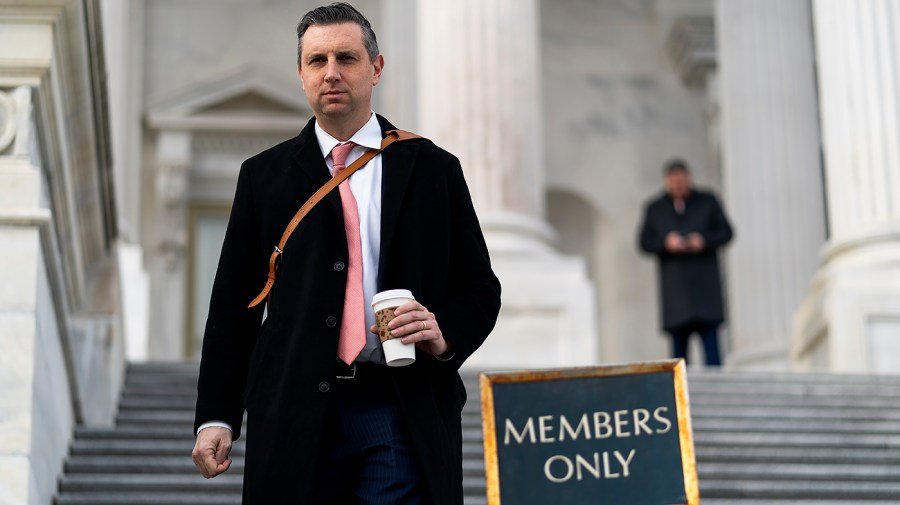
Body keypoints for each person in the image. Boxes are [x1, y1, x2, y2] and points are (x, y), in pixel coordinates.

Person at [190, 3, 501, 504]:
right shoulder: (263, 176)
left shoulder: (433, 168)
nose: (331, 73)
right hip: (292, 414)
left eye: (346, 58)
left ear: (375, 68)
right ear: (301, 74)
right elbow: (233, 306)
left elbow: (480, 288)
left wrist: (443, 333)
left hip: (399, 407)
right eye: (317, 60)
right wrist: (217, 416)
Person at [638, 159, 733, 366]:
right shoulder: (655, 208)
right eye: (674, 182)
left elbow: (726, 232)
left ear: (688, 179)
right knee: (679, 359)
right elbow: (644, 242)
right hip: (676, 295)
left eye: (682, 181)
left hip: (706, 289)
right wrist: (666, 243)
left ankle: (714, 384)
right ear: (667, 181)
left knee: (713, 355)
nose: (678, 186)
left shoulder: (708, 201)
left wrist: (703, 240)